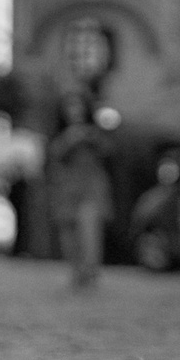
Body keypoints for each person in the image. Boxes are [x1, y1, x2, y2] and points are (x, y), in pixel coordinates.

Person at [47, 91, 116, 290]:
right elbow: (53, 155)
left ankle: (90, 272)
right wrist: (70, 139)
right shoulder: (59, 134)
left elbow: (109, 151)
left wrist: (91, 137)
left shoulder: (95, 131)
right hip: (65, 189)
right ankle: (76, 273)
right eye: (70, 106)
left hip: (91, 188)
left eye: (78, 106)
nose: (74, 111)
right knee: (69, 236)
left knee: (89, 231)